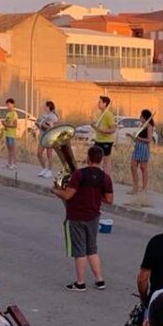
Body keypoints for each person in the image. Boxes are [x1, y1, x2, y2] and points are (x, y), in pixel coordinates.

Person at [52, 145, 113, 292]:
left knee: (79, 251)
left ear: (88, 158)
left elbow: (68, 195)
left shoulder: (79, 174)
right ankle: (99, 280)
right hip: (93, 216)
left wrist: (55, 190)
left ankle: (80, 283)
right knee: (92, 249)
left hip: (76, 217)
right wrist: (96, 195)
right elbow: (109, 200)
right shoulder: (105, 177)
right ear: (101, 159)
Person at [130, 109, 154, 195]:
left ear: (145, 117)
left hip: (144, 148)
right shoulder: (142, 126)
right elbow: (137, 138)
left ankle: (144, 188)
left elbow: (149, 139)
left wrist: (138, 138)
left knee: (143, 168)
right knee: (133, 167)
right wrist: (132, 137)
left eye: (141, 116)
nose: (140, 117)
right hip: (137, 147)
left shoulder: (149, 127)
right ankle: (135, 186)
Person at [93, 95, 117, 175]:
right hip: (98, 140)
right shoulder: (100, 114)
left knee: (106, 161)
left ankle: (107, 179)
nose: (98, 103)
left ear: (105, 104)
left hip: (106, 141)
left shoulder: (108, 115)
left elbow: (113, 128)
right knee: (94, 159)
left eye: (100, 102)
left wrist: (103, 131)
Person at [36, 100, 58, 178]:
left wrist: (43, 125)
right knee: (39, 153)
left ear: (49, 107)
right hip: (42, 136)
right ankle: (44, 168)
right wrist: (38, 124)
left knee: (49, 154)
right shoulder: (43, 115)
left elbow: (51, 127)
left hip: (49, 137)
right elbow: (39, 122)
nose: (44, 107)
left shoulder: (53, 116)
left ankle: (49, 171)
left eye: (45, 106)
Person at [2, 97, 18, 170]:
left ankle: (14, 163)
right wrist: (4, 124)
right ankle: (9, 163)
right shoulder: (8, 113)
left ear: (13, 105)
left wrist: (6, 125)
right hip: (7, 133)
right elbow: (6, 122)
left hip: (12, 134)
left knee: (12, 149)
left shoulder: (14, 114)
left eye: (9, 104)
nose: (7, 106)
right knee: (9, 149)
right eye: (7, 105)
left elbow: (15, 125)